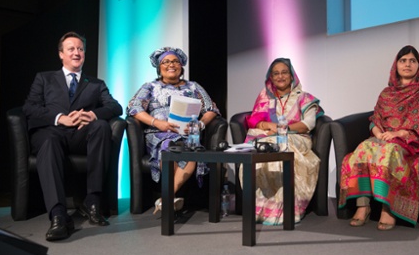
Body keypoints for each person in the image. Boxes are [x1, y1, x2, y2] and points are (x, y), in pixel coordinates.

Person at [22, 31, 123, 241]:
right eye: (71, 49)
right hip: (51, 133)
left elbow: (116, 106)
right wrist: (60, 118)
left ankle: (93, 200)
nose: (77, 53)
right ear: (61, 54)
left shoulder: (96, 83)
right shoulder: (44, 78)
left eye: (80, 49)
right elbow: (29, 108)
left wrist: (92, 114)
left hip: (79, 137)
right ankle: (58, 215)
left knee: (102, 126)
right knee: (49, 141)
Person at [338, 45, 419, 230]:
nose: (407, 64)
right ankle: (363, 207)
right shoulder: (387, 93)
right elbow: (374, 119)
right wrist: (378, 134)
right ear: (396, 65)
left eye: (412, 61)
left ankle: (388, 209)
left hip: (406, 141)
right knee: (363, 149)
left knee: (389, 152)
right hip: (383, 138)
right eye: (403, 60)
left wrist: (399, 133)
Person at [126, 47, 220, 214]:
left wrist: (201, 124)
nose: (171, 65)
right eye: (166, 62)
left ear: (181, 66)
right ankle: (169, 198)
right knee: (169, 145)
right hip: (159, 133)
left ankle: (165, 199)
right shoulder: (150, 87)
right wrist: (156, 122)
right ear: (159, 67)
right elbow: (133, 107)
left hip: (187, 134)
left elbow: (211, 108)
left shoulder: (193, 86)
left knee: (192, 150)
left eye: (175, 61)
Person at [239, 57, 324, 225]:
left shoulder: (304, 98)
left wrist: (281, 129)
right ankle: (262, 209)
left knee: (280, 148)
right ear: (270, 77)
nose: (280, 76)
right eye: (276, 73)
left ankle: (287, 209)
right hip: (268, 137)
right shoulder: (265, 97)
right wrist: (266, 125)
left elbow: (308, 124)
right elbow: (256, 121)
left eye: (284, 72)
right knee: (258, 151)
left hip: (297, 138)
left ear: (292, 75)